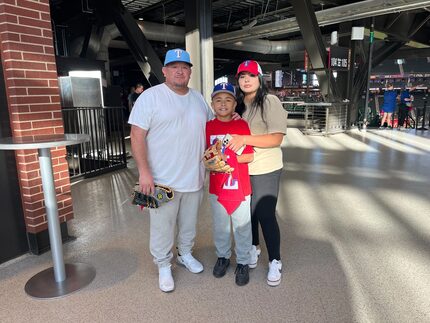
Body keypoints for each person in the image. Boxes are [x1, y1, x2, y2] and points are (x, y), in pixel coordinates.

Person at [128, 48, 213, 293]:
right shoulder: (151, 97)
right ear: (164, 71)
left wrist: (233, 117)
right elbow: (137, 135)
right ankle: (164, 264)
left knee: (189, 223)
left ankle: (185, 253)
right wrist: (144, 173)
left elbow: (212, 126)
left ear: (190, 72)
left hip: (194, 178)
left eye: (184, 67)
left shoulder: (198, 98)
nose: (180, 71)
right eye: (174, 67)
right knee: (162, 226)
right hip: (161, 180)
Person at [227, 60, 288, 287]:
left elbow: (276, 138)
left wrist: (245, 138)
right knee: (247, 214)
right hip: (244, 167)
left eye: (251, 75)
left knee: (265, 214)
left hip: (266, 168)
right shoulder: (239, 106)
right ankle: (254, 247)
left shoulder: (270, 101)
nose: (246, 80)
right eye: (242, 76)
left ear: (259, 79)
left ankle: (275, 260)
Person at [206, 82, 254, 286]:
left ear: (235, 104)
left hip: (240, 186)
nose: (223, 104)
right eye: (218, 100)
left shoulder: (241, 125)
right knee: (221, 226)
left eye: (228, 100)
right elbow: (204, 155)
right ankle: (223, 257)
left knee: (242, 226)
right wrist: (211, 161)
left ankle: (243, 261)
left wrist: (227, 160)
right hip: (217, 187)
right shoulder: (208, 127)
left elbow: (249, 156)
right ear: (212, 104)